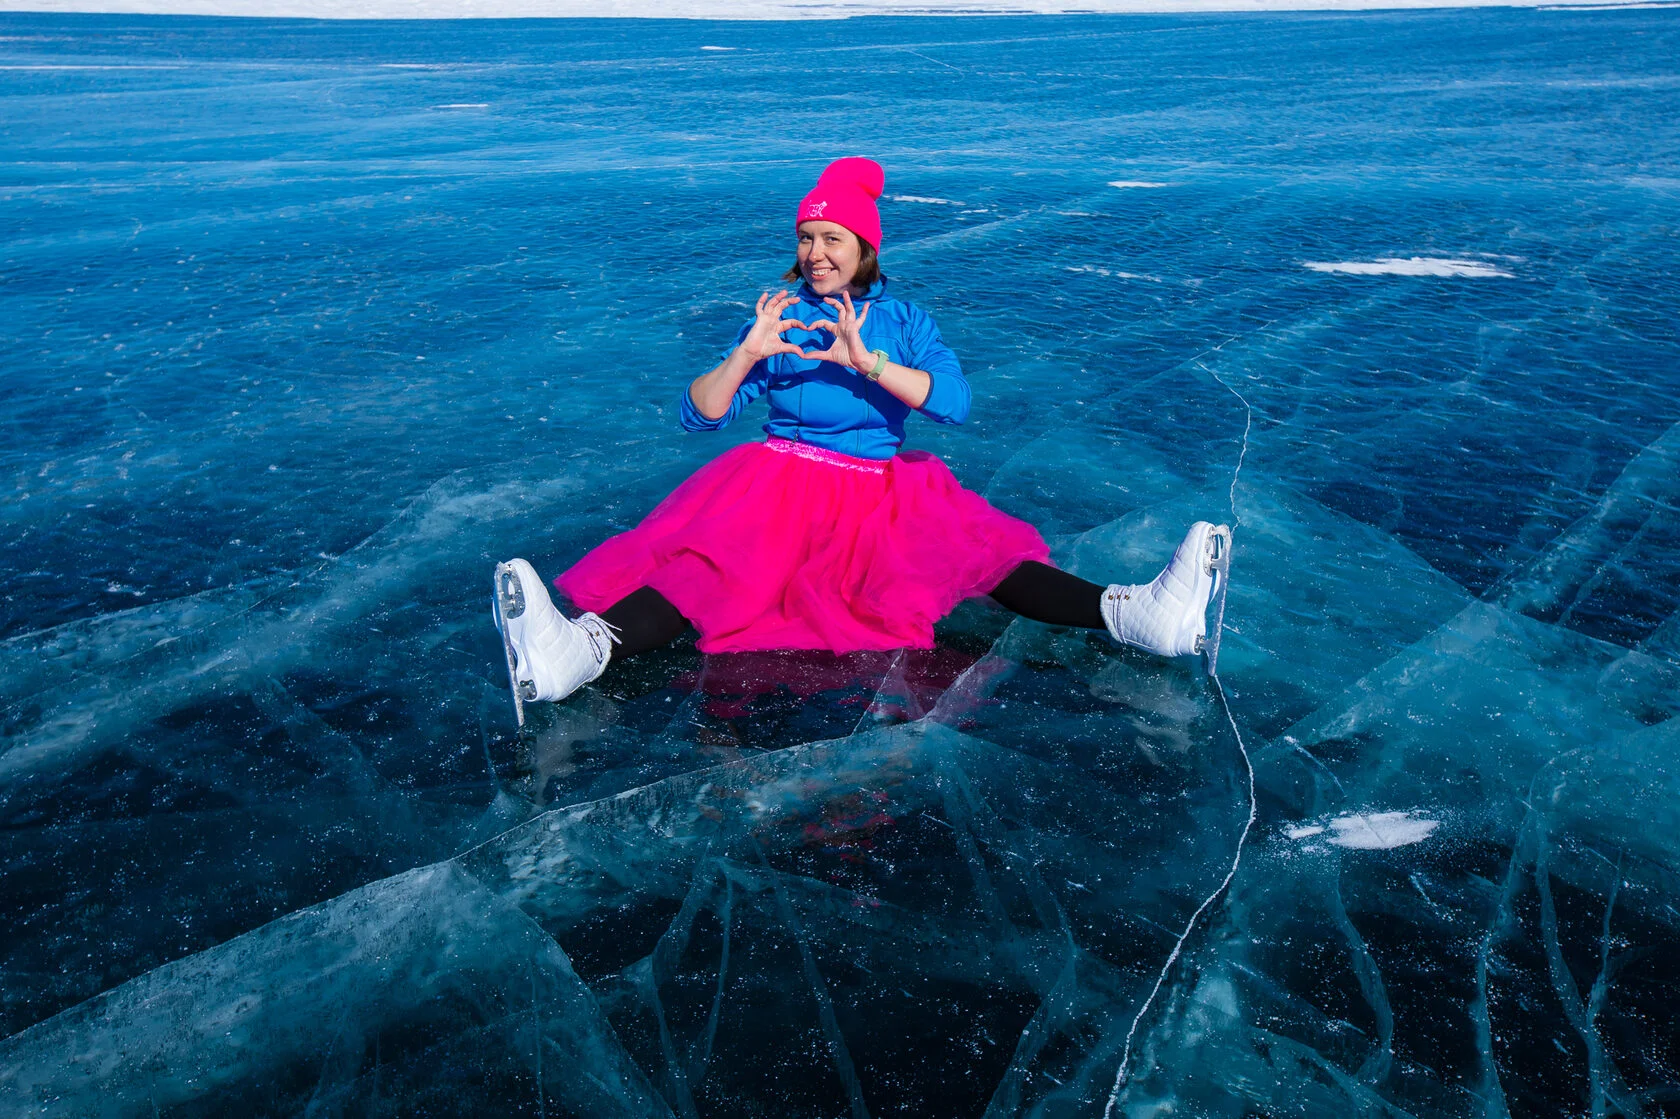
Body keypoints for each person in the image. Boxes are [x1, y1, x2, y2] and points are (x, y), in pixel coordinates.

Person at [491, 158, 1229, 725]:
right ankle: (579, 653)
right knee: (703, 570)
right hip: (771, 482)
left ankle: (1134, 613)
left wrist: (864, 361)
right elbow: (699, 415)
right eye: (806, 238)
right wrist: (747, 354)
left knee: (983, 553)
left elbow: (955, 404)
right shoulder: (778, 318)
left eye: (832, 238)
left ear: (864, 246)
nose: (816, 252)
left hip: (875, 486)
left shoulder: (904, 320)